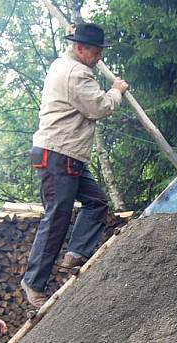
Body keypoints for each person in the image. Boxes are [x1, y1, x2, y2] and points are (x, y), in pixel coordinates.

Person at [21, 22, 129, 308]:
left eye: (100, 52)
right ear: (80, 49)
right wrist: (116, 90)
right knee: (57, 216)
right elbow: (99, 107)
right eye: (94, 52)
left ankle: (76, 254)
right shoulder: (77, 72)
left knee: (96, 203)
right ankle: (33, 282)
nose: (99, 58)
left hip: (69, 154)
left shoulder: (64, 62)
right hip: (59, 153)